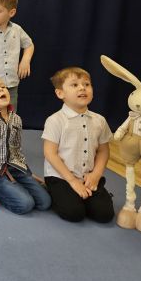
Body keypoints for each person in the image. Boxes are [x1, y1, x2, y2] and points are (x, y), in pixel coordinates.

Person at [0, 75, 51, 214]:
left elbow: (17, 149)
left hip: (13, 166)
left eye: (3, 86)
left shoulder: (16, 119)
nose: (1, 89)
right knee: (25, 204)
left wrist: (27, 172)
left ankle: (13, 185)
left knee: (45, 202)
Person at [42, 67, 114, 223]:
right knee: (74, 213)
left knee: (104, 215)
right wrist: (72, 181)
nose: (82, 88)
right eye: (74, 85)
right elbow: (50, 153)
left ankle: (87, 195)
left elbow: (103, 151)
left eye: (87, 84)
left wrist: (96, 174)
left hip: (87, 176)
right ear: (60, 93)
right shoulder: (55, 120)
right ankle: (52, 191)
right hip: (61, 176)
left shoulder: (99, 120)